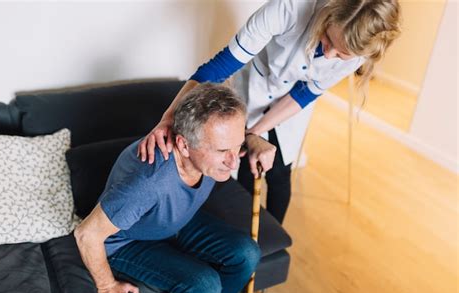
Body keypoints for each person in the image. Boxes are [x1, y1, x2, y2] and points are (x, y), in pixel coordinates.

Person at [137, 0, 402, 224]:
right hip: (255, 85)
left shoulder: (361, 50)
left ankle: (271, 239)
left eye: (342, 54)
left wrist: (256, 132)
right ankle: (238, 231)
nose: (329, 53)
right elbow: (216, 69)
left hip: (291, 107)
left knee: (279, 172)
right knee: (245, 164)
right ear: (330, 12)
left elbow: (305, 93)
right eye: (328, 38)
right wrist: (168, 118)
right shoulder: (288, 8)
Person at [74, 83, 275, 293]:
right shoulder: (149, 182)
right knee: (205, 286)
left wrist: (252, 139)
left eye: (237, 146)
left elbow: (226, 132)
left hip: (172, 221)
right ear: (183, 145)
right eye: (221, 151)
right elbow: (86, 234)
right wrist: (107, 287)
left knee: (247, 254)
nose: (233, 162)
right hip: (126, 241)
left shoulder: (207, 145)